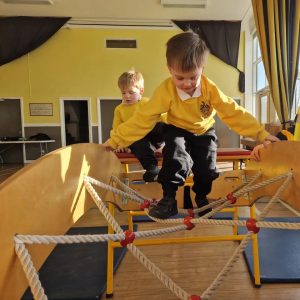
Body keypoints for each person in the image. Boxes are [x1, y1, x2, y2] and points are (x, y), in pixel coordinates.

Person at [104, 31, 279, 219]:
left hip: (204, 131)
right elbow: (143, 119)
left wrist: (260, 134)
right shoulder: (165, 91)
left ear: (202, 69)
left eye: (193, 77)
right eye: (180, 78)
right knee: (175, 158)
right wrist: (115, 140)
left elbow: (232, 111)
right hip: (177, 129)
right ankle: (169, 199)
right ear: (169, 69)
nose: (187, 83)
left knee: (206, 169)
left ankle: (202, 199)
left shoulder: (209, 89)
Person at [111, 70, 165, 182]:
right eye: (123, 93)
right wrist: (121, 144)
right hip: (136, 140)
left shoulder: (147, 103)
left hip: (152, 137)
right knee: (137, 142)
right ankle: (152, 169)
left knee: (161, 126)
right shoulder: (119, 109)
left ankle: (168, 148)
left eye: (131, 92)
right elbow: (116, 130)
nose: (127, 96)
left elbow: (163, 118)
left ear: (141, 91)